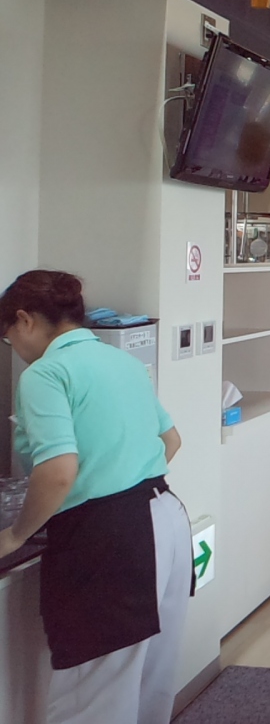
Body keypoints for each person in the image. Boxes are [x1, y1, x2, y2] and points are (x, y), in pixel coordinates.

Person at [0, 271, 191, 724]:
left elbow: (58, 471)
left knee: (91, 701)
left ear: (24, 320)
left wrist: (15, 536)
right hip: (165, 521)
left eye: (8, 337)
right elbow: (171, 441)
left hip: (109, 541)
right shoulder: (120, 361)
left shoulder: (45, 373)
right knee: (147, 687)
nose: (14, 348)